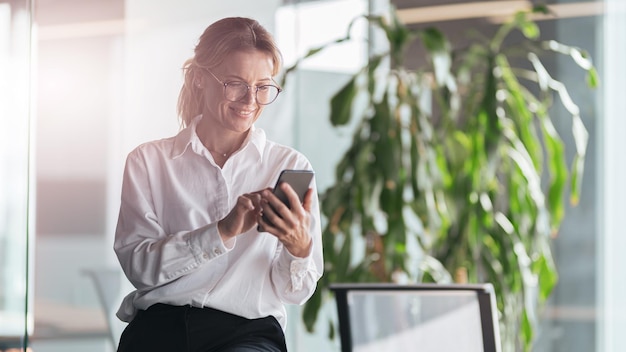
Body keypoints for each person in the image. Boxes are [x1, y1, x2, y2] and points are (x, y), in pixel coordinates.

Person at [113, 17, 323, 352]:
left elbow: (293, 293)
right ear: (199, 79)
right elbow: (140, 268)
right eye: (235, 83)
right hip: (160, 328)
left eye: (262, 86)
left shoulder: (289, 166)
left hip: (249, 333)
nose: (249, 100)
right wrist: (222, 231)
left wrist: (299, 250)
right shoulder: (148, 162)